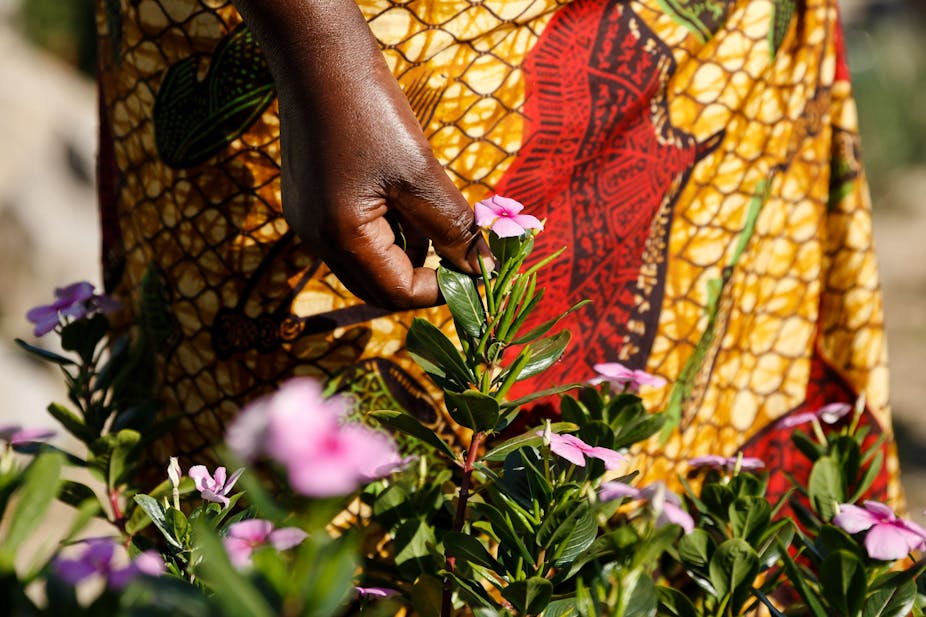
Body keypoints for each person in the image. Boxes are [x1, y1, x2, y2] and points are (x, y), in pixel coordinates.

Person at [94, 0, 903, 506]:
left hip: (713, 52)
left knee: (675, 509)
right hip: (379, 65)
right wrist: (321, 48)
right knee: (315, 528)